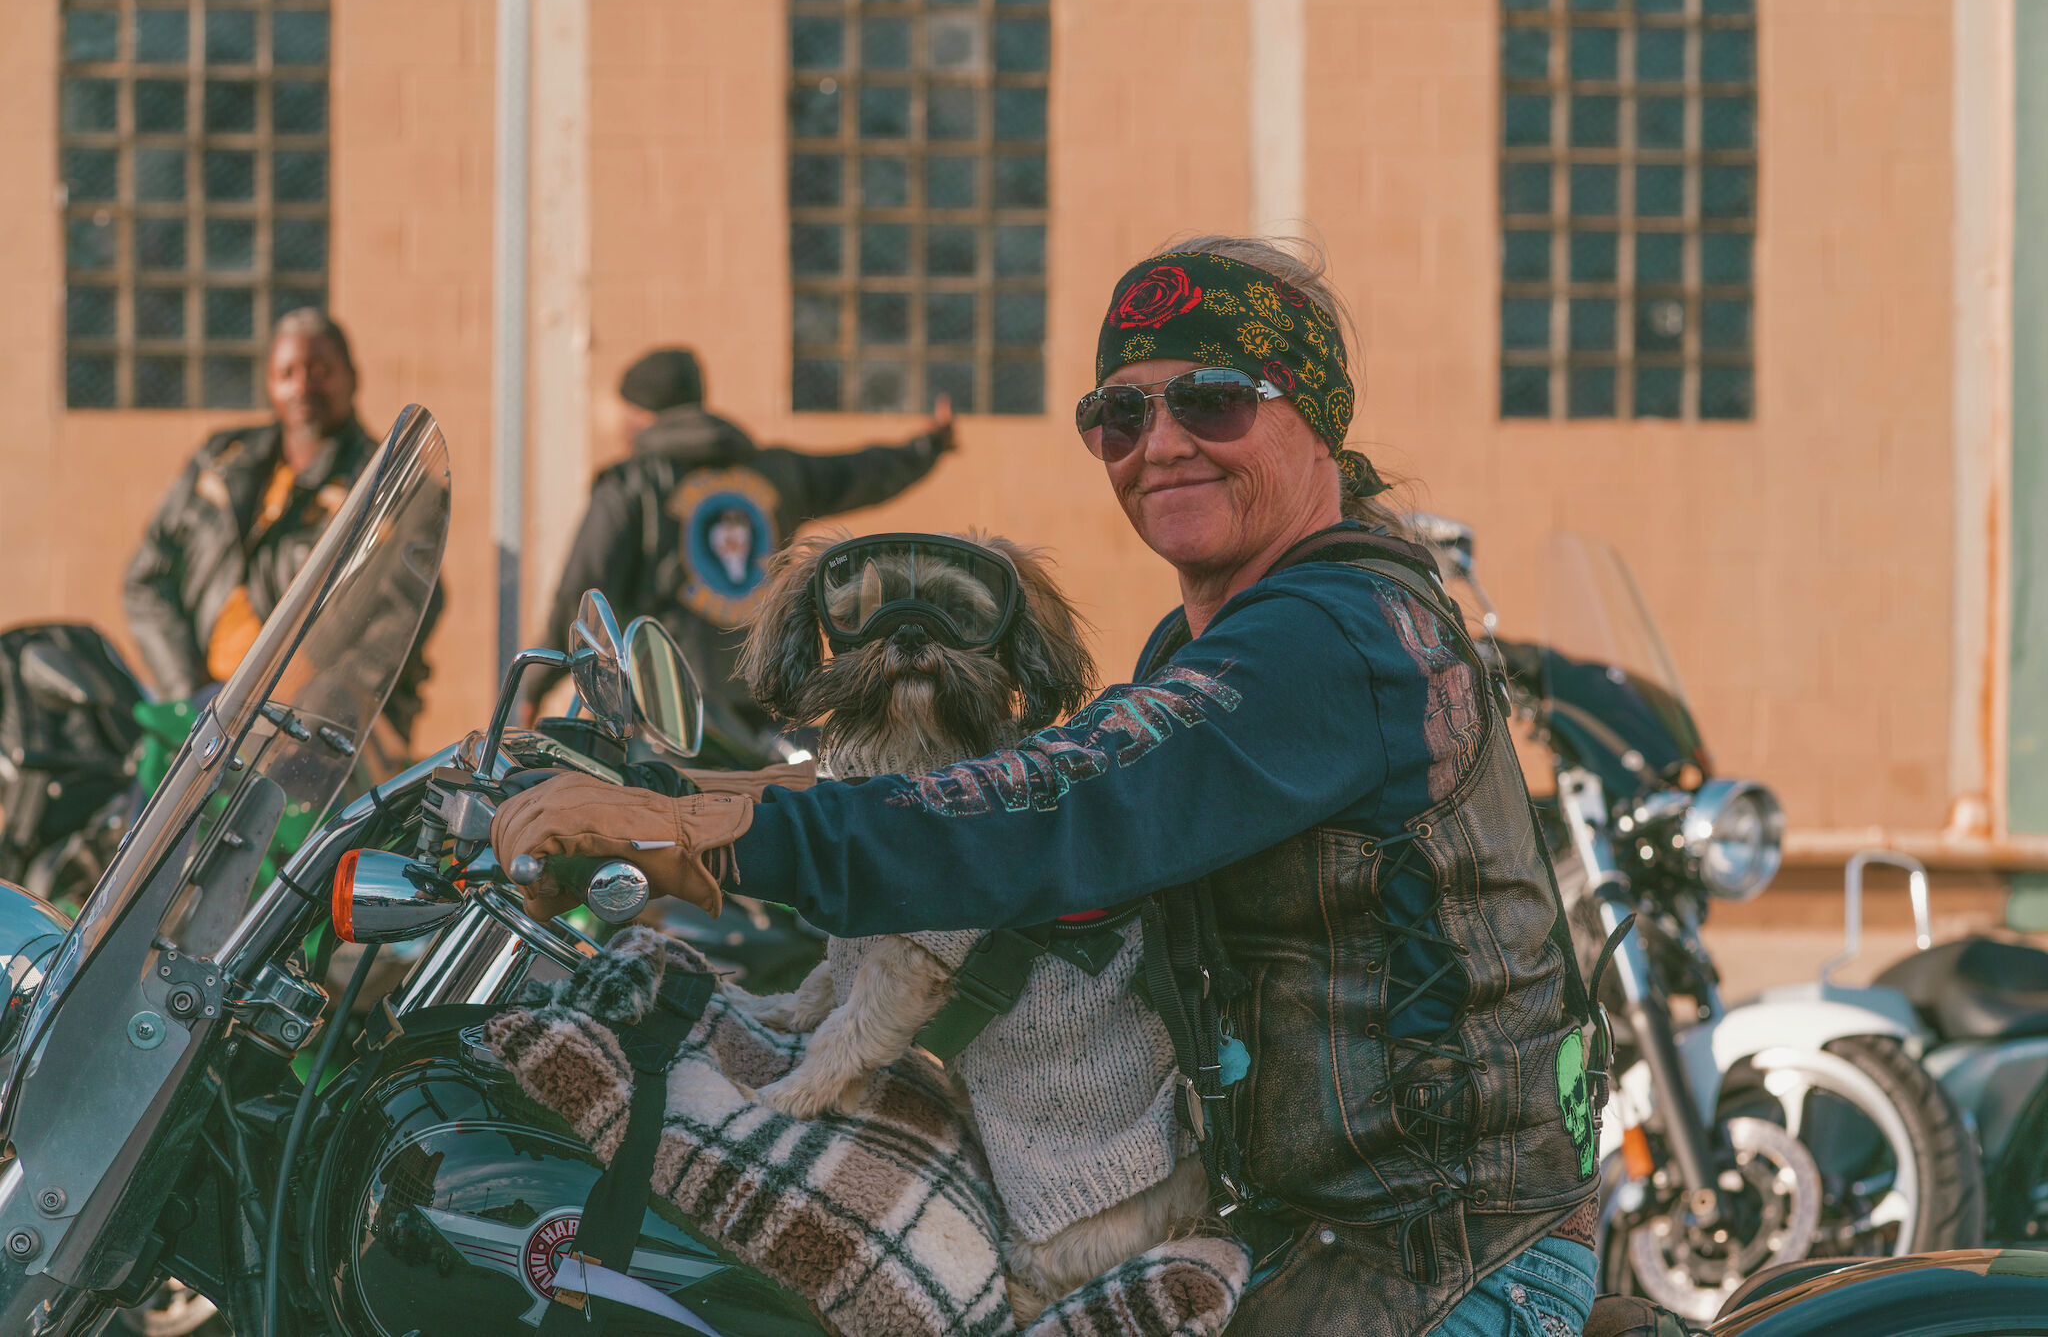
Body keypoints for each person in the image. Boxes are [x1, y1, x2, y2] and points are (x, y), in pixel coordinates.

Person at [493, 238, 1603, 1336]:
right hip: (1307, 1239)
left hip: (1439, 1271)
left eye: (1210, 402)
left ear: (1312, 415)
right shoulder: (1228, 633)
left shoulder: (1328, 641)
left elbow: (1064, 801)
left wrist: (700, 833)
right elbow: (993, 781)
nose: (1158, 445)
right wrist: (672, 788)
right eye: (1118, 416)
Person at [522, 346, 957, 738]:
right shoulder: (777, 471)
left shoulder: (630, 484)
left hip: (666, 714)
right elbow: (859, 472)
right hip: (765, 704)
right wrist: (928, 446)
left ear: (640, 415)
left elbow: (581, 593)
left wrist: (532, 687)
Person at [123, 309, 438, 742]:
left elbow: (407, 610)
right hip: (204, 713)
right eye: (287, 372)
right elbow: (146, 579)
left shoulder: (392, 482)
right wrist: (188, 694)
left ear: (352, 377)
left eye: (320, 370)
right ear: (270, 383)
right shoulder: (220, 460)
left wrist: (313, 706)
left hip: (316, 739)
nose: (303, 385)